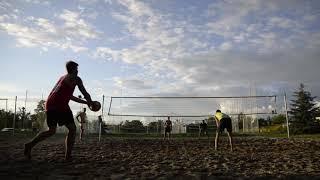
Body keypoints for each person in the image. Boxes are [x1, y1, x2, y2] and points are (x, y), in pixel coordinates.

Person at [24, 61, 93, 160]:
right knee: (72, 129)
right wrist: (90, 102)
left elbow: (70, 96)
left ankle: (29, 145)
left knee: (51, 131)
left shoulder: (63, 78)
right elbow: (84, 93)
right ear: (73, 69)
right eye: (76, 69)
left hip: (51, 103)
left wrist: (88, 102)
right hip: (60, 105)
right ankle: (68, 156)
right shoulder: (75, 79)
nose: (78, 71)